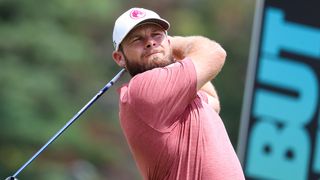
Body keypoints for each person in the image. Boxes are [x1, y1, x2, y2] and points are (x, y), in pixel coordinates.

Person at [111, 7, 245, 180]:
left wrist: (168, 50)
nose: (150, 42)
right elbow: (215, 53)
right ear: (119, 58)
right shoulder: (143, 89)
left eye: (156, 34)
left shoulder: (174, 95)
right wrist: (174, 43)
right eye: (137, 39)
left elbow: (212, 102)